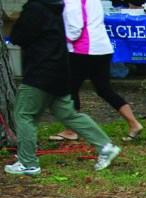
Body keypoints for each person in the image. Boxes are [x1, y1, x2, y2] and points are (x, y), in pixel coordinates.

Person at [4, 0, 120, 176]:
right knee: (69, 114)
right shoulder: (56, 6)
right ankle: (105, 146)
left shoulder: (34, 7)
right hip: (60, 69)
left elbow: (18, 36)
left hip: (39, 72)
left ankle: (28, 163)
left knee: (24, 115)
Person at [49, 0, 144, 143]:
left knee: (70, 88)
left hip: (83, 49)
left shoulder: (72, 2)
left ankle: (70, 130)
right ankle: (134, 123)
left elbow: (74, 29)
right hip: (102, 47)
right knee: (104, 89)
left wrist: (61, 39)